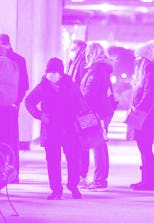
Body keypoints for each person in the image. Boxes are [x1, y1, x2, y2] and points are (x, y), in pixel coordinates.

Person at [25, 57, 82, 199]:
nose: (51, 75)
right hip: (50, 128)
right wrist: (39, 115)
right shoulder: (42, 86)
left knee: (73, 158)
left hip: (69, 127)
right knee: (52, 160)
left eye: (55, 72)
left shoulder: (70, 85)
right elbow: (29, 101)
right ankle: (56, 190)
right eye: (49, 72)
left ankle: (73, 186)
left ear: (61, 73)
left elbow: (81, 103)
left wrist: (82, 121)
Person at [128, 40, 154, 191]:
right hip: (143, 115)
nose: (135, 61)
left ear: (143, 59)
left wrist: (137, 111)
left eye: (138, 58)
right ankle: (145, 180)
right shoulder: (146, 72)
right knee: (143, 147)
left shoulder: (151, 73)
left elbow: (149, 96)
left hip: (146, 116)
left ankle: (148, 182)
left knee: (146, 147)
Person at [80, 42, 114, 191]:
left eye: (87, 52)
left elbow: (89, 94)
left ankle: (100, 180)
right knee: (99, 145)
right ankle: (100, 179)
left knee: (96, 145)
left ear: (91, 53)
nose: (85, 55)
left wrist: (78, 106)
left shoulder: (96, 70)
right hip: (100, 112)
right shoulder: (102, 69)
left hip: (93, 112)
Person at [0, 33, 29, 183]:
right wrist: (17, 102)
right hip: (11, 107)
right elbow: (25, 85)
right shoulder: (19, 60)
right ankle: (13, 173)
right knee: (11, 140)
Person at [66, 40, 90, 188]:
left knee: (83, 141)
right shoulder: (72, 62)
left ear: (80, 49)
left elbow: (80, 87)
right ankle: (78, 174)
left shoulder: (82, 64)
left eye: (73, 48)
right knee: (76, 141)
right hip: (73, 109)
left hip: (81, 109)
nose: (71, 51)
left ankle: (82, 174)